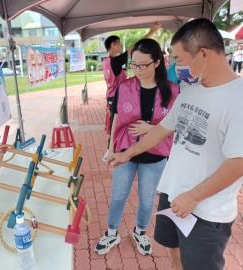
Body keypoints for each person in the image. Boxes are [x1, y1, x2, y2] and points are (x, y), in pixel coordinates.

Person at [109, 18, 243, 270]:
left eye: (179, 59)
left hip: (205, 210)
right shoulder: (191, 90)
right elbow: (162, 129)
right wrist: (128, 153)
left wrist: (194, 196)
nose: (175, 66)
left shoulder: (238, 97)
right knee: (176, 256)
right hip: (173, 195)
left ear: (203, 54)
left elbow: (239, 162)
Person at [94, 38, 180, 256]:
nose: (138, 70)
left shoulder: (173, 90)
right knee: (118, 195)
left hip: (156, 156)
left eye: (144, 64)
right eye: (134, 64)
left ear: (157, 62)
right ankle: (112, 232)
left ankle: (140, 231)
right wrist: (111, 148)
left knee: (147, 200)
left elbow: (176, 125)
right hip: (125, 152)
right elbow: (116, 119)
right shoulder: (124, 87)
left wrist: (151, 128)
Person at [101, 22, 162, 161]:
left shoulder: (106, 61)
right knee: (118, 124)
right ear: (113, 45)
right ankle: (113, 151)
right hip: (118, 97)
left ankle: (117, 149)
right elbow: (134, 48)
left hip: (111, 96)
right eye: (119, 43)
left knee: (115, 124)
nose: (121, 46)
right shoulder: (114, 62)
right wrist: (151, 32)